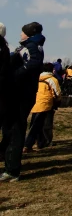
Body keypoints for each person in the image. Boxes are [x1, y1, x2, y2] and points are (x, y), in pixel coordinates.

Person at [0, 22, 45, 182]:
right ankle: (9, 166)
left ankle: (13, 169)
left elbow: (32, 64)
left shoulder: (33, 46)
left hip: (23, 93)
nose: (20, 35)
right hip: (18, 93)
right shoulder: (28, 45)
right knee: (10, 129)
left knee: (16, 129)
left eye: (22, 32)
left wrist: (15, 75)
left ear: (30, 33)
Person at [24, 63, 61, 151]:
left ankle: (40, 142)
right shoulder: (53, 79)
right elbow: (57, 93)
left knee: (35, 125)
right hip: (46, 104)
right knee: (43, 125)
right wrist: (57, 101)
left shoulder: (37, 78)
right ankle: (28, 144)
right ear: (52, 70)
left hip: (35, 104)